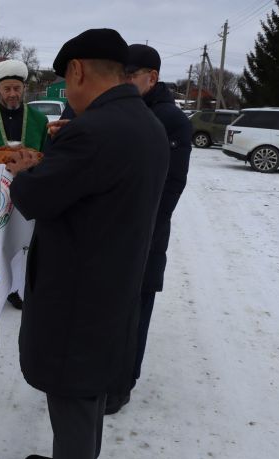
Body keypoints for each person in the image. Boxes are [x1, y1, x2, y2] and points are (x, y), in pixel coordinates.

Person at [5, 29, 170, 459]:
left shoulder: (94, 132)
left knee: (73, 393)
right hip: (113, 283)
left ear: (77, 70)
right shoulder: (145, 123)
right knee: (90, 390)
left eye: (66, 79)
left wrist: (24, 172)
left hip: (78, 291)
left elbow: (37, 200)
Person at [105, 44, 192, 415]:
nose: (123, 82)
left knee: (136, 309)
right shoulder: (128, 111)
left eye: (130, 75)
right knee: (114, 309)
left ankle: (123, 385)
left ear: (151, 77)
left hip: (146, 234)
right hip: (117, 232)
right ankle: (108, 375)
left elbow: (171, 185)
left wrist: (139, 227)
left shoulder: (171, 120)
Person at [0, 59, 48, 310]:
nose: (13, 94)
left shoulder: (38, 119)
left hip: (27, 194)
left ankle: (15, 287)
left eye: (17, 88)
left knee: (21, 241)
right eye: (7, 89)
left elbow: (47, 156)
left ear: (24, 89)